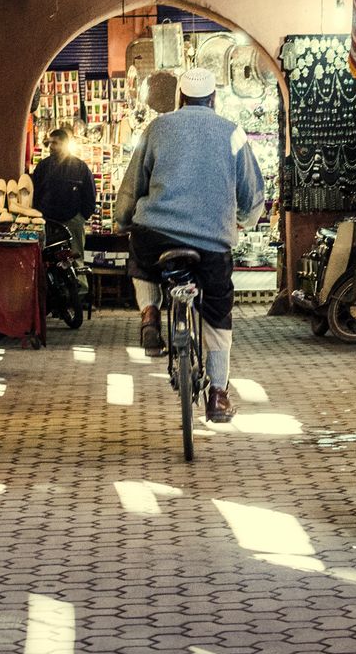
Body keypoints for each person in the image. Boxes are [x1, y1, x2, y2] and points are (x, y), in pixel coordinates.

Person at [113, 67, 266, 424]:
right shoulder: (233, 133)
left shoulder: (156, 128)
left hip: (156, 232)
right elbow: (253, 194)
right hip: (212, 242)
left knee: (141, 258)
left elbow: (132, 185)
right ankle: (218, 393)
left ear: (180, 98)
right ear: (213, 99)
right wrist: (246, 219)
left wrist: (123, 221)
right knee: (216, 309)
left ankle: (150, 314)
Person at [31, 128, 97, 264]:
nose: (51, 147)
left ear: (65, 144)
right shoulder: (43, 166)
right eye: (50, 143)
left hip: (72, 221)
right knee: (47, 262)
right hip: (47, 222)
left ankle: (79, 285)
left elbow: (90, 196)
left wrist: (80, 217)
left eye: (55, 143)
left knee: (76, 260)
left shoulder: (80, 168)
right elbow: (35, 192)